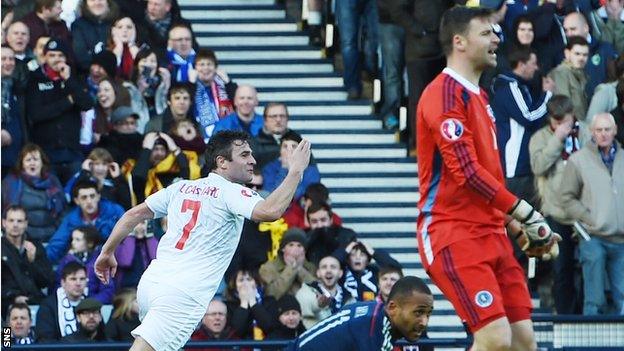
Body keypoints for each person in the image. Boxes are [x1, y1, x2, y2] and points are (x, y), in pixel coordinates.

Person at [416, 6, 559, 350]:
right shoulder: (445, 93)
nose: (497, 39)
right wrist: (525, 212)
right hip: (452, 231)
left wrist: (514, 226)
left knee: (524, 342)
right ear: (459, 42)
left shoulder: (480, 96)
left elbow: (487, 178)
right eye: (486, 33)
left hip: (492, 233)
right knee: (495, 340)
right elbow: (465, 173)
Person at [94, 130, 311, 351]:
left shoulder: (182, 187)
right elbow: (270, 211)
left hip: (152, 283)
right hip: (182, 294)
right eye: (244, 155)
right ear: (222, 162)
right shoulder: (231, 192)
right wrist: (295, 171)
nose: (252, 160)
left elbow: (132, 215)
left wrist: (106, 253)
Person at [529, 95, 590, 314]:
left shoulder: (586, 131)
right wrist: (558, 139)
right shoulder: (540, 137)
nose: (563, 126)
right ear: (551, 121)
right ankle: (565, 317)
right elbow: (538, 166)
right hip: (555, 212)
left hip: (584, 213)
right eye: (558, 122)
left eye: (566, 121)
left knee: (588, 267)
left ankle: (585, 315)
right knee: (561, 268)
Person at [560, 112, 624, 315]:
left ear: (615, 131)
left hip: (621, 240)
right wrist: (590, 218)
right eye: (599, 130)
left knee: (623, 296)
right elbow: (566, 197)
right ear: (591, 133)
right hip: (593, 238)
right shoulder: (578, 160)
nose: (603, 134)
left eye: (607, 129)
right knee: (594, 301)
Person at [287, 276, 434, 351]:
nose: (424, 322)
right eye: (418, 313)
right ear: (393, 307)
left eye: (428, 314)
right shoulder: (374, 332)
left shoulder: (373, 312)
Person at [25, 38, 94, 183]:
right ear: (45, 57)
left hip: (72, 152)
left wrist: (69, 80)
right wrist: (68, 101)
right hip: (46, 154)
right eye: (52, 55)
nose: (56, 59)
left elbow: (87, 104)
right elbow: (36, 114)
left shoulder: (74, 79)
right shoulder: (35, 80)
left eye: (60, 55)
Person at [491, 46, 554, 203]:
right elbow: (529, 118)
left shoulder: (516, 86)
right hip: (516, 166)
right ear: (521, 64)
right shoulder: (510, 87)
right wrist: (547, 95)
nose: (536, 67)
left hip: (521, 166)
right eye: (533, 63)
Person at [46, 180, 125, 263]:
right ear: (77, 201)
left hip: (115, 259)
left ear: (98, 197)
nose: (89, 201)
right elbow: (57, 244)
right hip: (86, 265)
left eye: (92, 196)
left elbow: (128, 238)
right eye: (84, 197)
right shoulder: (71, 219)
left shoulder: (115, 211)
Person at [1, 143, 66, 240]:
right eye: (28, 160)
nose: (32, 163)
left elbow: (62, 211)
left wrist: (57, 235)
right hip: (23, 238)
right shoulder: (11, 182)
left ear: (42, 163)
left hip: (52, 236)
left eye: (35, 159)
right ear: (22, 164)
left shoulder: (53, 181)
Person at [1, 206, 55, 317]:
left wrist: (32, 262)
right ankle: (5, 334)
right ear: (3, 223)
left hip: (35, 303)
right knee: (6, 332)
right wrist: (13, 297)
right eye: (11, 220)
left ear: (26, 224)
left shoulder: (35, 247)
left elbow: (46, 281)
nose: (15, 225)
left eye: (19, 221)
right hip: (6, 306)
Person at [56, 226, 115, 304]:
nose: (73, 243)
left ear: (90, 243)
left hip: (92, 306)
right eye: (72, 239)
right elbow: (57, 284)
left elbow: (107, 290)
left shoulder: (99, 262)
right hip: (67, 304)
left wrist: (89, 303)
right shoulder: (66, 261)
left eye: (77, 240)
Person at [296, 255, 355, 329]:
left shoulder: (350, 297)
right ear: (318, 273)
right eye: (324, 267)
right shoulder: (305, 291)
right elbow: (305, 310)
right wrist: (318, 306)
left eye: (333, 267)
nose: (328, 271)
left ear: (340, 273)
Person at [35, 262, 87, 342]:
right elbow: (44, 339)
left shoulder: (91, 304)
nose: (78, 283)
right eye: (73, 279)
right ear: (63, 282)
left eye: (82, 279)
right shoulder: (48, 307)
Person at [262, 130, 321, 201]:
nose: (289, 150)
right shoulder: (269, 168)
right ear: (280, 150)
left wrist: (293, 170)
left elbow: (302, 197)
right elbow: (271, 196)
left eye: (293, 146)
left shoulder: (311, 171)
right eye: (285, 146)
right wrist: (284, 168)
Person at [259, 228, 317, 300]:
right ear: (283, 249)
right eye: (291, 245)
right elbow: (272, 294)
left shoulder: (311, 267)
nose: (295, 249)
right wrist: (290, 269)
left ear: (304, 250)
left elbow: (317, 293)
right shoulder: (268, 268)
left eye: (299, 245)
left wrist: (300, 269)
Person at [223, 269, 277, 341]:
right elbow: (235, 332)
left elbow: (269, 326)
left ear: (257, 283)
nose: (246, 283)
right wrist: (244, 303)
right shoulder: (228, 306)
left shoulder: (269, 301)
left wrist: (253, 302)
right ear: (234, 286)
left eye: (249, 279)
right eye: (241, 280)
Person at [548, 36, 590, 121]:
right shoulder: (561, 73)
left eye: (585, 55)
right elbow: (563, 106)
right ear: (567, 53)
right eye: (577, 54)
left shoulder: (582, 75)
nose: (581, 58)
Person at [71, 0, 119, 74]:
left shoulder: (118, 22)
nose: (97, 3)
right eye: (92, 0)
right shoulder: (78, 25)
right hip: (87, 75)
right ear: (85, 4)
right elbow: (81, 58)